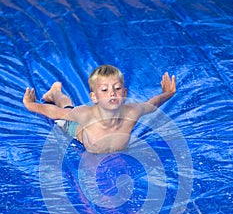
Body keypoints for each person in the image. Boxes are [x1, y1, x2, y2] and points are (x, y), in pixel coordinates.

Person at [23, 64, 176, 153]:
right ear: (94, 97)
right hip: (78, 131)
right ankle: (56, 92)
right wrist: (31, 105)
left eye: (117, 88)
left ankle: (56, 92)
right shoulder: (85, 115)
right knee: (66, 110)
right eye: (104, 90)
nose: (112, 93)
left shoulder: (132, 112)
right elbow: (56, 112)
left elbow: (152, 104)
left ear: (125, 93)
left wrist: (167, 94)